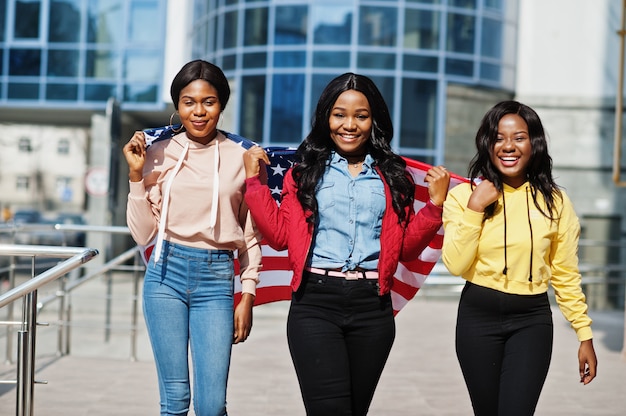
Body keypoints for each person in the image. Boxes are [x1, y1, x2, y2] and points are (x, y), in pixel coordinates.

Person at [243, 72, 450, 415]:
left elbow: (406, 250)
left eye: (361, 115)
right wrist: (254, 183)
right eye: (339, 114)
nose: (349, 124)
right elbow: (280, 237)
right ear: (326, 117)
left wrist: (434, 207)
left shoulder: (393, 176)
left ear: (374, 121)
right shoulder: (304, 173)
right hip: (315, 303)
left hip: (374, 310)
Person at [123, 59, 262, 416]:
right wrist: (136, 176)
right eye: (189, 102)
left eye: (209, 102)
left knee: (212, 405)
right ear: (177, 105)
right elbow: (142, 233)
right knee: (175, 401)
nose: (199, 112)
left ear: (222, 105)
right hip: (165, 273)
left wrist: (247, 293)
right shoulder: (157, 153)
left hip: (216, 279)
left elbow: (249, 233)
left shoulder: (242, 156)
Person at [441, 100, 598, 416]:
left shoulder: (556, 202)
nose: (508, 146)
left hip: (531, 321)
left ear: (534, 143)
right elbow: (455, 264)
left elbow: (565, 274)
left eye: (519, 137)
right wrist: (474, 208)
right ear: (487, 143)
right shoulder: (463, 196)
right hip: (477, 318)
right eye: (499, 137)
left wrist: (584, 334)